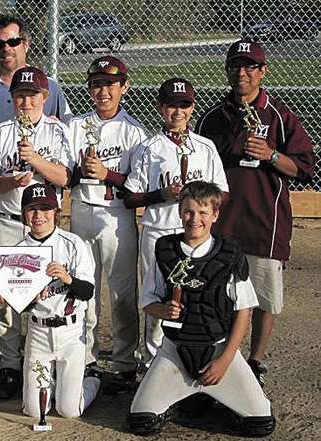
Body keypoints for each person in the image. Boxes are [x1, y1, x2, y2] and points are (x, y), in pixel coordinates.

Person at [196, 40, 315, 387]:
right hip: (221, 223)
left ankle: (256, 361)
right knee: (217, 293)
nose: (242, 73)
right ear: (227, 70)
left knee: (265, 298)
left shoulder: (279, 116)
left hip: (265, 221)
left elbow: (305, 168)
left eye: (250, 67)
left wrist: (272, 155)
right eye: (236, 66)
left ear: (263, 71)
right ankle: (217, 356)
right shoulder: (212, 118)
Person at [128, 181, 275, 437]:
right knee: (142, 423)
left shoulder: (229, 253)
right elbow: (148, 301)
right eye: (188, 212)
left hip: (219, 348)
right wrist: (162, 311)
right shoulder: (166, 250)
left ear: (215, 215)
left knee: (260, 424)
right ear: (179, 212)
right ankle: (187, 396)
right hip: (175, 349)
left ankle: (220, 397)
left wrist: (226, 359)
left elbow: (244, 310)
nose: (194, 219)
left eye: (203, 212)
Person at [124, 77, 229, 371]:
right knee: (156, 296)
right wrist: (163, 194)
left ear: (192, 107)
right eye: (171, 105)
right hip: (159, 230)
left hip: (195, 233)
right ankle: (152, 363)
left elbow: (223, 192)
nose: (178, 112)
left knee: (196, 295)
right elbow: (131, 197)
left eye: (184, 105)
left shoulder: (204, 147)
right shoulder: (149, 147)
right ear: (160, 107)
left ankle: (192, 358)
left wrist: (198, 200)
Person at [0, 66, 73, 399]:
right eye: (20, 95)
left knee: (47, 291)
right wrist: (13, 181)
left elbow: (65, 177)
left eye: (33, 95)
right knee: (9, 296)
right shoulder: (1, 132)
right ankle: (9, 363)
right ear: (12, 98)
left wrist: (34, 161)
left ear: (45, 97)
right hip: (9, 218)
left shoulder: (56, 131)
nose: (26, 101)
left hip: (46, 225)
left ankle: (46, 357)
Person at [67, 56, 149, 391]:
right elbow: (62, 173)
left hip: (116, 215)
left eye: (111, 85)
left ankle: (125, 362)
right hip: (82, 209)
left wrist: (107, 174)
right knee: (84, 290)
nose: (103, 91)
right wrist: (79, 172)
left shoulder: (135, 132)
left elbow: (138, 185)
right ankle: (86, 357)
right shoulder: (75, 126)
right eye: (97, 84)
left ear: (124, 87)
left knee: (121, 294)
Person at [0, 183, 100, 419]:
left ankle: (93, 379)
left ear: (56, 212)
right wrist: (31, 298)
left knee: (68, 410)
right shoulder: (19, 250)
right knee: (33, 410)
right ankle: (53, 383)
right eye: (32, 209)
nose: (38, 215)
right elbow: (20, 306)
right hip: (38, 332)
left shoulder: (73, 243)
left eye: (45, 208)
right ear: (24, 215)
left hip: (71, 332)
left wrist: (67, 277)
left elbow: (87, 291)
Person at [0, 13, 72, 127]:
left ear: (26, 45)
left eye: (13, 42)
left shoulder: (50, 86)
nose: (6, 48)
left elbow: (67, 128)